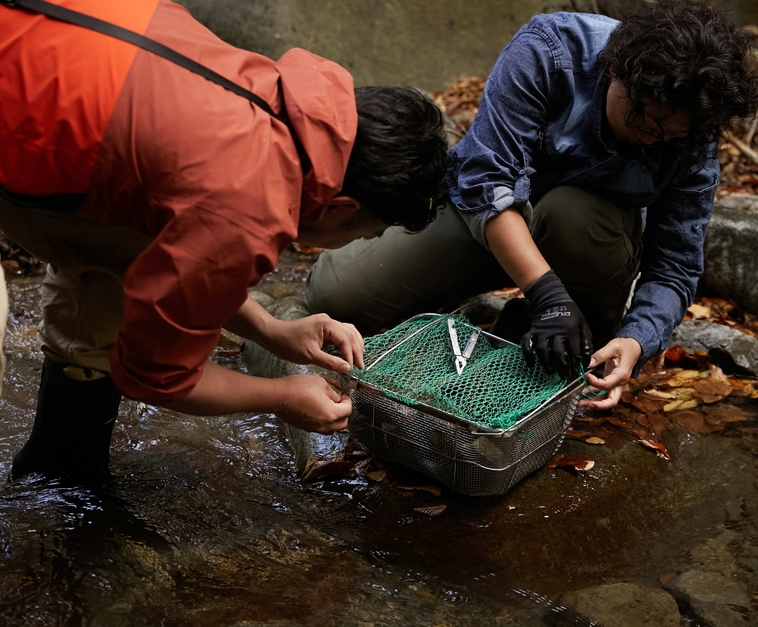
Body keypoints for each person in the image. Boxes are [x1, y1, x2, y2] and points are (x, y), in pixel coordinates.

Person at [0, 0, 448, 480]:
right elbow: (157, 376)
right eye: (371, 232)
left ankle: (58, 468)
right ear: (340, 209)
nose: (367, 241)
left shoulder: (275, 97)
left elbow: (179, 266)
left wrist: (275, 334)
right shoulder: (247, 202)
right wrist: (281, 398)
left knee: (124, 256)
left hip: (40, 42)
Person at [305, 0, 758, 410]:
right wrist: (547, 295)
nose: (652, 136)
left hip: (582, 242)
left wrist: (636, 340)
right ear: (617, 72)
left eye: (670, 133)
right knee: (337, 298)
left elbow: (675, 266)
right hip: (483, 221)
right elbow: (486, 179)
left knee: (573, 214)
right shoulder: (552, 50)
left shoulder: (693, 135)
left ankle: (565, 333)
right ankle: (540, 309)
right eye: (645, 117)